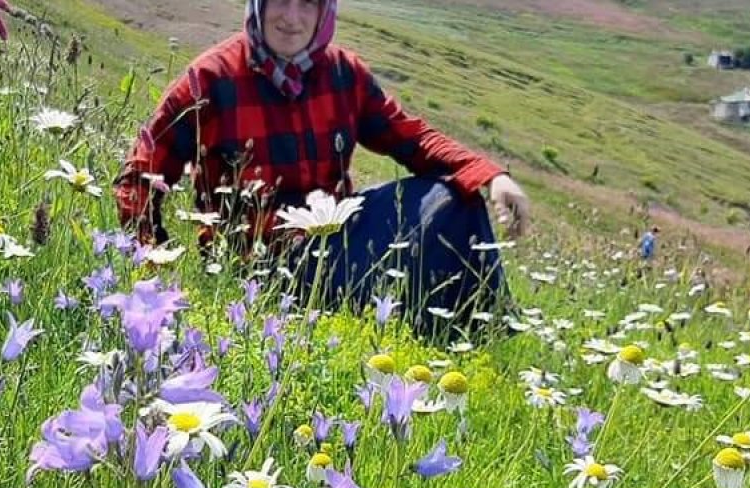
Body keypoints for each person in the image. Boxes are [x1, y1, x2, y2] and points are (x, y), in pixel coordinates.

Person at [112, 0, 530, 333]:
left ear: (324, 11)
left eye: (308, 4)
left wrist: (491, 175)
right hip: (260, 268)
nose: (292, 18)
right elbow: (141, 175)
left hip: (337, 237)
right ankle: (390, 325)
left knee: (452, 195)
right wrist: (156, 265)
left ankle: (461, 338)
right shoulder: (210, 79)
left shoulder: (344, 74)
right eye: (280, 2)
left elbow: (411, 138)